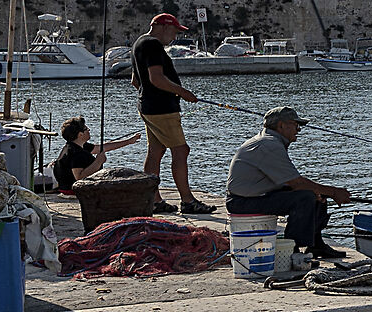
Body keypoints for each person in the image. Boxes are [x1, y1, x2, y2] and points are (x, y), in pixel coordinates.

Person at [225, 106, 351, 261]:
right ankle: (293, 251)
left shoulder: (271, 141)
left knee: (315, 193)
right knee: (304, 197)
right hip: (241, 202)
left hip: (257, 195)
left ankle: (316, 244)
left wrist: (324, 192)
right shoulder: (268, 145)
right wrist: (334, 192)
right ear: (281, 125)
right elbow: (297, 183)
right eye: (295, 124)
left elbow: (292, 182)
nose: (298, 129)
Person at [131, 13, 213, 214]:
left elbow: (135, 81)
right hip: (162, 110)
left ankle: (154, 200)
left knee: (155, 152)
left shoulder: (139, 43)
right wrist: (183, 92)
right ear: (163, 26)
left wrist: (148, 96)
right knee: (181, 150)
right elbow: (156, 78)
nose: (175, 36)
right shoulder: (153, 45)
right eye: (175, 31)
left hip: (148, 107)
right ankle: (187, 201)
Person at [52, 117, 141, 192]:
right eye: (86, 129)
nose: (89, 130)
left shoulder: (78, 146)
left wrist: (129, 141)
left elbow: (103, 147)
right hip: (72, 190)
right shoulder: (76, 153)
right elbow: (79, 177)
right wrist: (98, 162)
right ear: (80, 135)